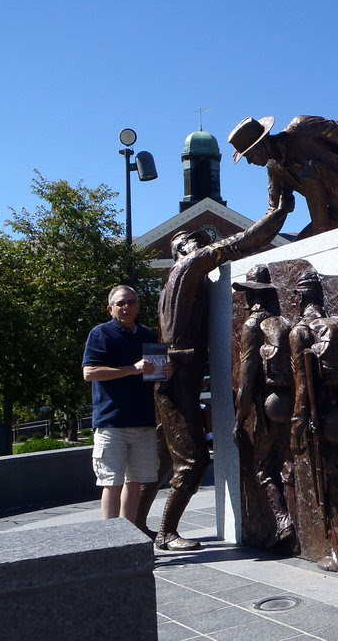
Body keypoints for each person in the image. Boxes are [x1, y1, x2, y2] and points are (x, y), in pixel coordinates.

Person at [135, 202, 291, 550]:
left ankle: (135, 526)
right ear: (182, 251)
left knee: (162, 460)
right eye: (193, 242)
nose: (198, 246)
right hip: (177, 379)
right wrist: (276, 214)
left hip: (168, 376)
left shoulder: (168, 285)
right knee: (193, 461)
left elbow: (162, 343)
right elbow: (239, 243)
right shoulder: (189, 267)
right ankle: (165, 532)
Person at [288, 270, 338, 574]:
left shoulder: (300, 332)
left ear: (301, 297)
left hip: (320, 419)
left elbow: (302, 385)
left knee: (330, 486)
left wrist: (297, 424)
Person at [82, 285, 172, 522]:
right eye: (120, 303)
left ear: (138, 306)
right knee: (112, 482)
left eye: (131, 302)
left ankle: (129, 538)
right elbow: (90, 372)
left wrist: (164, 370)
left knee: (135, 482)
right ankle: (111, 542)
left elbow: (151, 373)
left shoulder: (146, 335)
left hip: (143, 421)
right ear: (110, 308)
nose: (126, 307)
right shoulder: (100, 334)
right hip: (112, 423)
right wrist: (132, 369)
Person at [229, 115, 338, 239]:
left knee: (309, 170)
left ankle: (321, 239)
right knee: (300, 249)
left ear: (261, 144)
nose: (250, 162)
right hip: (334, 216)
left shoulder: (302, 128)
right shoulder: (274, 169)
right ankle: (319, 241)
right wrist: (241, 241)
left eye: (249, 155)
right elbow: (273, 210)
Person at [233, 265, 296, 547]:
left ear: (250, 295)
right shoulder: (282, 322)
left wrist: (239, 418)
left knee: (263, 468)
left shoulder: (251, 325)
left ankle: (284, 523)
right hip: (288, 401)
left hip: (266, 405)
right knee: (287, 461)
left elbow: (247, 377)